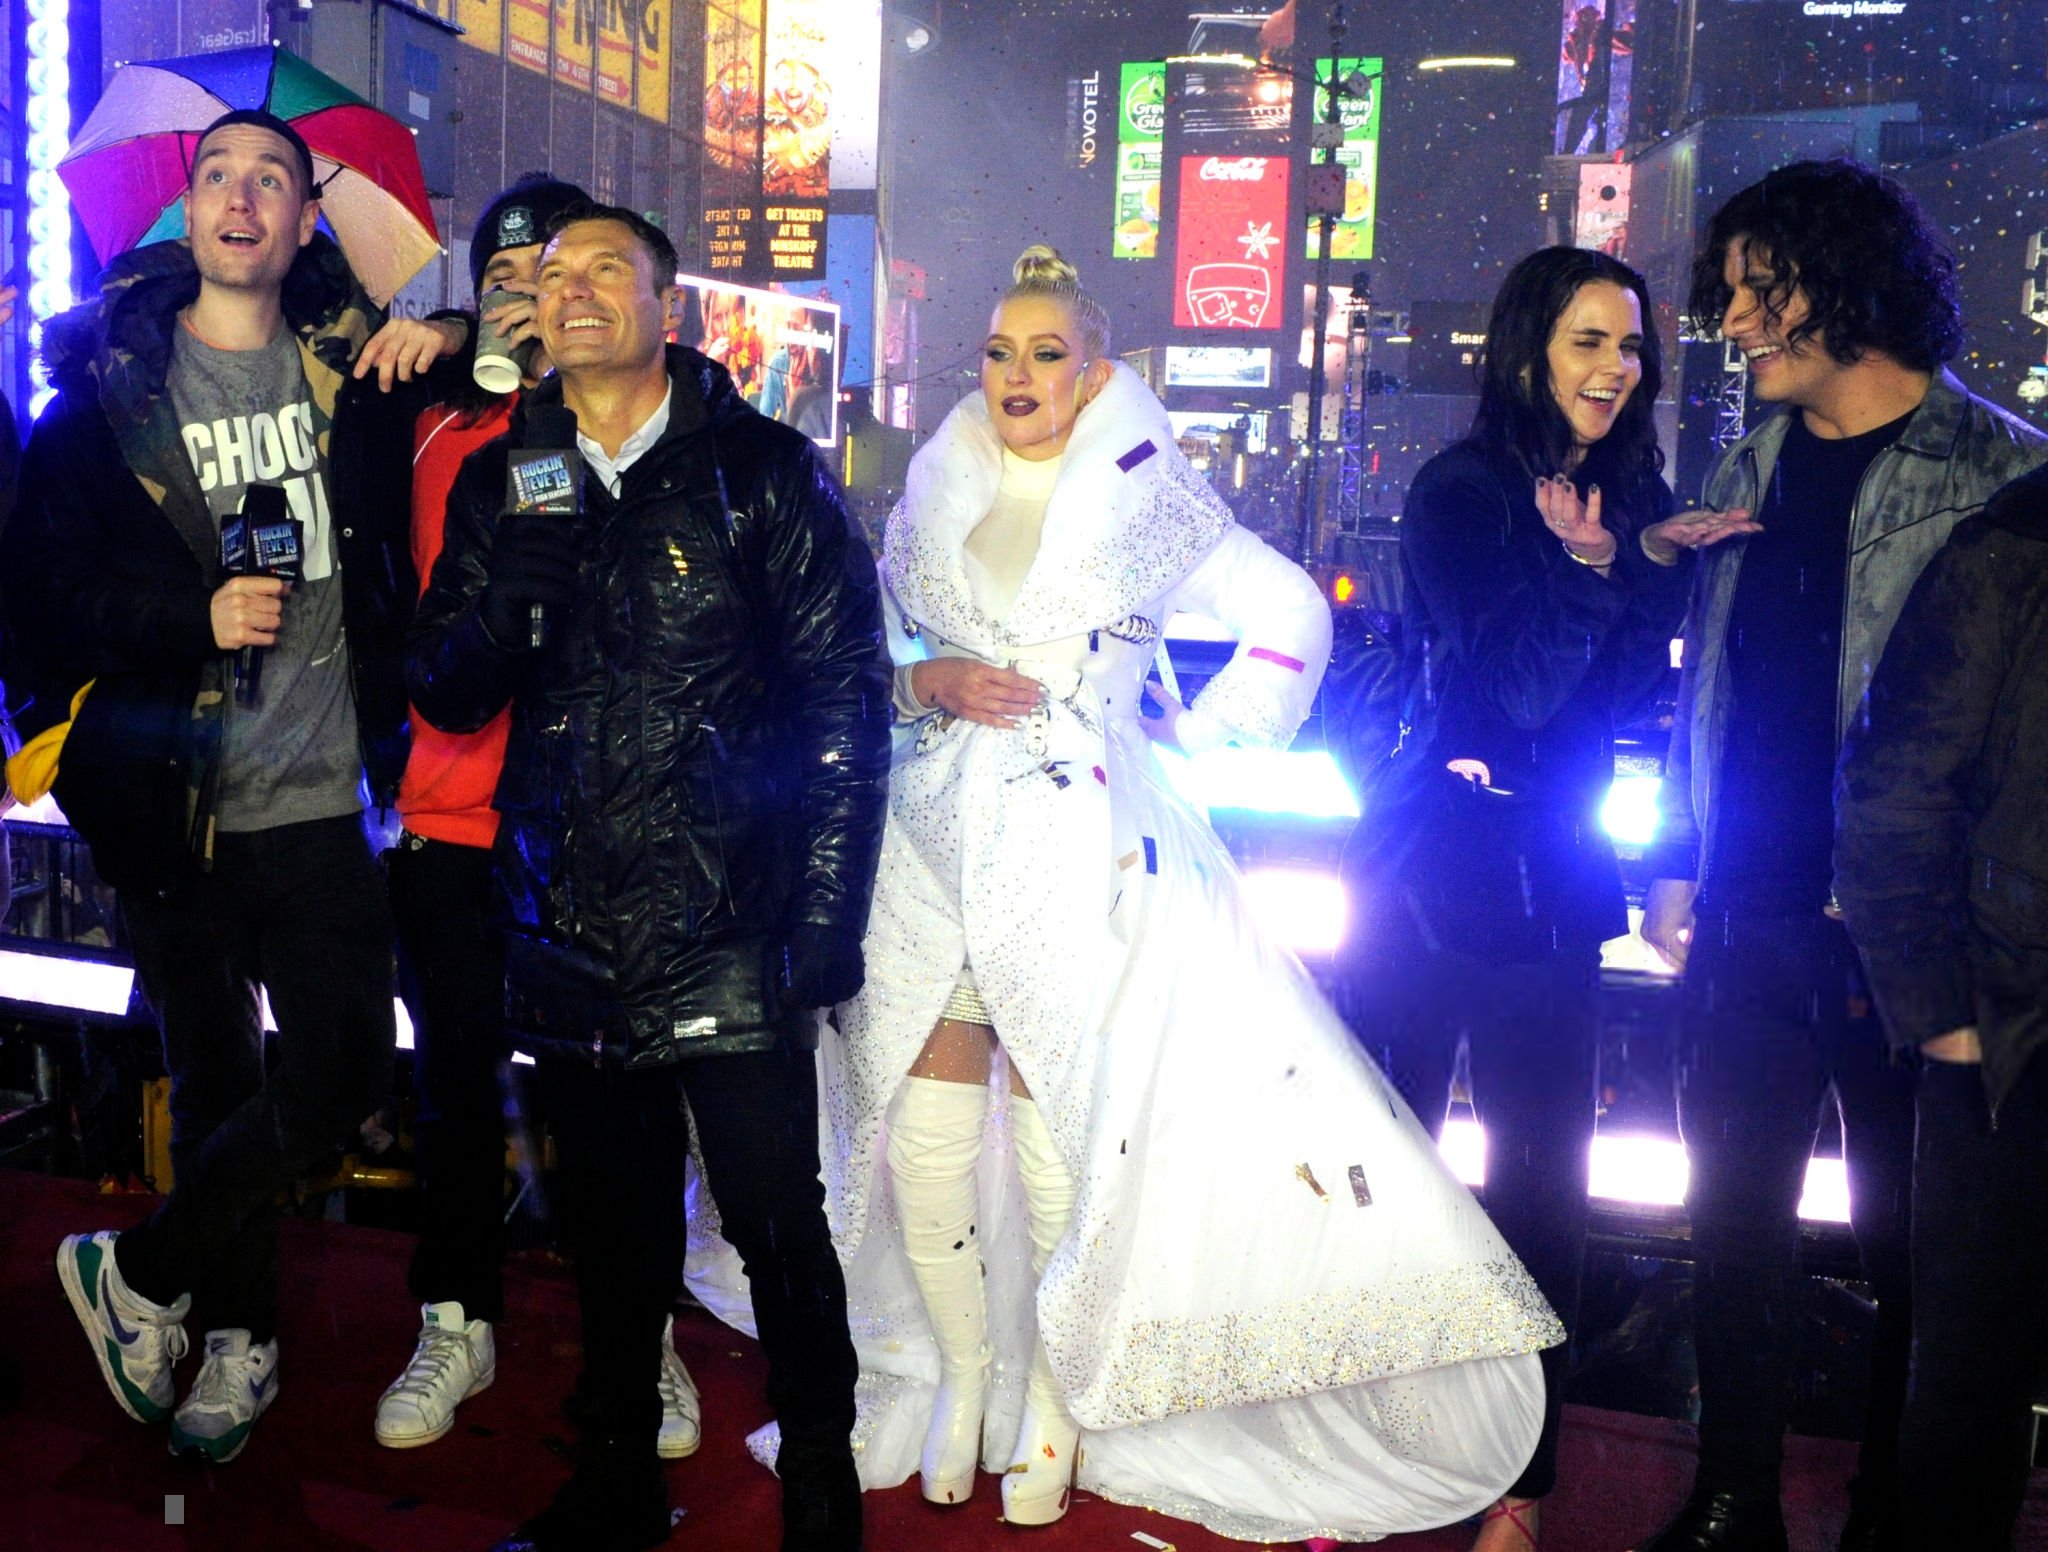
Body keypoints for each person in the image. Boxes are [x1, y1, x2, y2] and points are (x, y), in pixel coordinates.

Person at [785, 244, 1562, 1546]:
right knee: (920, 1138)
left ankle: (1052, 1401)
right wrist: (924, 684)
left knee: (1060, 1146)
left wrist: (1197, 736)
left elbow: (1289, 613)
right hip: (924, 850)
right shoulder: (931, 486)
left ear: (1094, 374)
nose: (1019, 374)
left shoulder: (1147, 495)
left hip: (1078, 852)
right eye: (999, 351)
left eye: (1048, 353)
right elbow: (877, 650)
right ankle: (962, 1379)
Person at [406, 201, 888, 1552]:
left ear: (664, 306)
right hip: (567, 916)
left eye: (604, 268)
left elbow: (846, 705)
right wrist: (505, 609)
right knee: (609, 1235)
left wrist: (827, 914)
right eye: (550, 274)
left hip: (732, 916)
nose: (571, 290)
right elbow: (440, 687)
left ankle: (820, 1473)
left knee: (776, 1217)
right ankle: (613, 1478)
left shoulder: (762, 472)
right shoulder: (508, 476)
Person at [1, 109, 464, 1464]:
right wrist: (187, 617)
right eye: (219, 176)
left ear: (308, 217)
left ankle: (139, 1272)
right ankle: (235, 1336)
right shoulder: (103, 405)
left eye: (272, 178)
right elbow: (43, 598)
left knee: (341, 1071)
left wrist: (449, 334)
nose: (243, 197)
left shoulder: (355, 378)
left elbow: (522, 380)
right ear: (188, 209)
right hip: (172, 795)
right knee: (210, 1078)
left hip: (322, 796)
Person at [1636, 159, 2048, 1552]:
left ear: (1848, 286)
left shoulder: (2001, 475)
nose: (1733, 322)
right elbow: (1711, 687)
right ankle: (1732, 1499)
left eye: (1762, 289)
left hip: (1912, 939)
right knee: (1730, 1230)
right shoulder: (1747, 464)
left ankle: (1893, 1515)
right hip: (1746, 911)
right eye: (1728, 293)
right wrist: (1679, 856)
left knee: (1918, 1259)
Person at [1339, 246, 1754, 1551]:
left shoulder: (1632, 497)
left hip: (1559, 878)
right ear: (1528, 349)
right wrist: (1594, 572)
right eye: (1587, 341)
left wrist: (1648, 561)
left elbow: (1623, 701)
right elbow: (1514, 688)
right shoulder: (1461, 492)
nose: (1615, 369)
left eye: (1630, 347)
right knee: (1388, 1172)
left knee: (1540, 1194)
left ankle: (1520, 1486)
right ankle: (1367, 1438)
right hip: (1430, 875)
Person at [369, 173, 703, 1461]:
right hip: (451, 814)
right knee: (454, 1089)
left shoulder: (642, 428)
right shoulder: (428, 418)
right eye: (505, 281)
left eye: (555, 278)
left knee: (618, 1105)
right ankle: (456, 1314)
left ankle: (643, 1332)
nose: (532, 301)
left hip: (600, 824)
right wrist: (451, 346)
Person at [1834, 469, 2048, 1551]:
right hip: (2010, 1021)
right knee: (1969, 1378)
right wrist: (1940, 1018)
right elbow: (1888, 792)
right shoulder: (2011, 544)